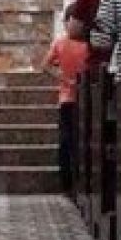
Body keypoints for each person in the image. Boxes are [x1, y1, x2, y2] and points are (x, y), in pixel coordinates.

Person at [43, 28, 89, 192]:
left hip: (67, 98)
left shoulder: (60, 42)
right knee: (84, 139)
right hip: (87, 97)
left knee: (66, 140)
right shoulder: (88, 42)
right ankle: (84, 181)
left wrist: (65, 79)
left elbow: (45, 66)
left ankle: (67, 183)